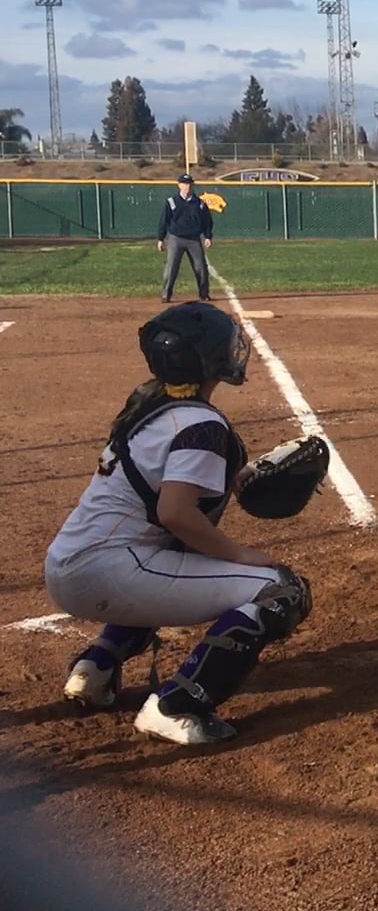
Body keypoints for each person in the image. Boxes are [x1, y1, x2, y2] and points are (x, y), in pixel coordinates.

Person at [43, 302, 312, 745]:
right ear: (208, 359)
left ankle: (97, 666)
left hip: (76, 561)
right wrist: (240, 554)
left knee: (169, 558)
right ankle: (175, 707)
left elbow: (164, 482)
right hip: (111, 569)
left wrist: (241, 476)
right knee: (281, 591)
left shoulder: (151, 403)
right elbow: (175, 512)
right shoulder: (202, 425)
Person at [156, 174, 214, 303]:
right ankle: (166, 294)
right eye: (185, 184)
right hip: (176, 238)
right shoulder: (171, 202)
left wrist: (208, 236)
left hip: (194, 239)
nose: (187, 187)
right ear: (179, 185)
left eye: (190, 184)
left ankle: (204, 294)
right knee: (171, 268)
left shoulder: (200, 203)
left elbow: (207, 221)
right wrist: (161, 238)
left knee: (201, 267)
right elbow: (164, 221)